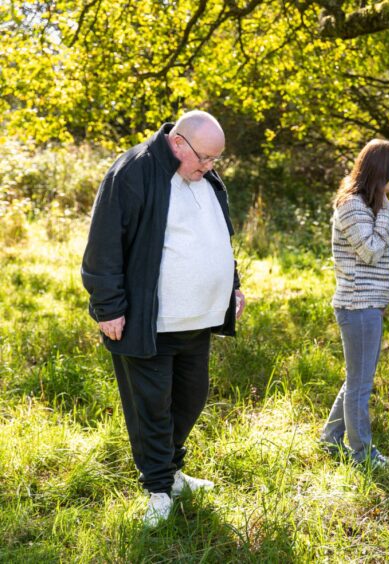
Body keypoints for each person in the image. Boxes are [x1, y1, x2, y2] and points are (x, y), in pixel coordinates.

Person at [81, 110, 246, 527]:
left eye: (215, 161)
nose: (209, 167)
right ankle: (158, 489)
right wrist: (109, 307)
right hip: (148, 321)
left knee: (190, 399)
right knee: (151, 408)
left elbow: (217, 236)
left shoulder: (203, 177)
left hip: (198, 319)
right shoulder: (134, 171)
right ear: (178, 142)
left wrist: (232, 285)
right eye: (204, 158)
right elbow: (104, 243)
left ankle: (171, 472)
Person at [319, 139, 389, 469]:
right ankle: (361, 453)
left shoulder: (366, 205)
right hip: (357, 306)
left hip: (367, 306)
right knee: (360, 384)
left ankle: (330, 438)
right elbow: (369, 251)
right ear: (381, 173)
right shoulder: (354, 205)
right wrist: (386, 211)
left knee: (356, 379)